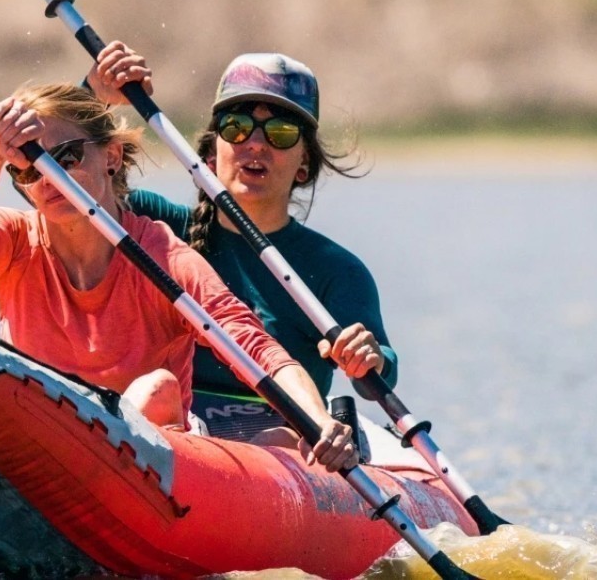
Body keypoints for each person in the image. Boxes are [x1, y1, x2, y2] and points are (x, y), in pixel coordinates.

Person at [0, 81, 358, 471]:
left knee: (157, 389)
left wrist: (318, 422)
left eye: (65, 158)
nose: (46, 178)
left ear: (110, 156)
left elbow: (255, 348)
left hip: (156, 463)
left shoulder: (164, 259)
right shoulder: (17, 239)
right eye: (24, 169)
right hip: (43, 443)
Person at [86, 44, 397, 412]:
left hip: (279, 437)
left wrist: (371, 357)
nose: (256, 144)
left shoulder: (336, 270)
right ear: (211, 156)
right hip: (165, 419)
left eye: (280, 133)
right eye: (237, 127)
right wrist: (93, 95)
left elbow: (381, 372)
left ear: (304, 165)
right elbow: (59, 189)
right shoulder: (154, 225)